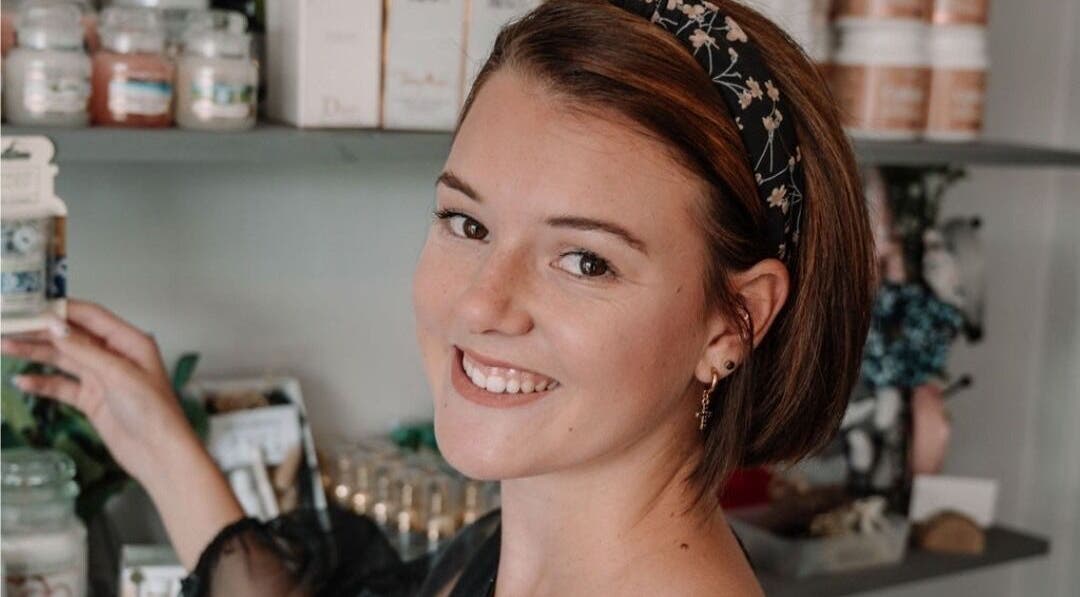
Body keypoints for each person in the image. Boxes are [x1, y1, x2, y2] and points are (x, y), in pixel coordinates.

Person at [0, 0, 876, 594]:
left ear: (736, 320)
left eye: (584, 261)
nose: (481, 305)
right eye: (466, 223)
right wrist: (155, 436)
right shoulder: (515, 552)